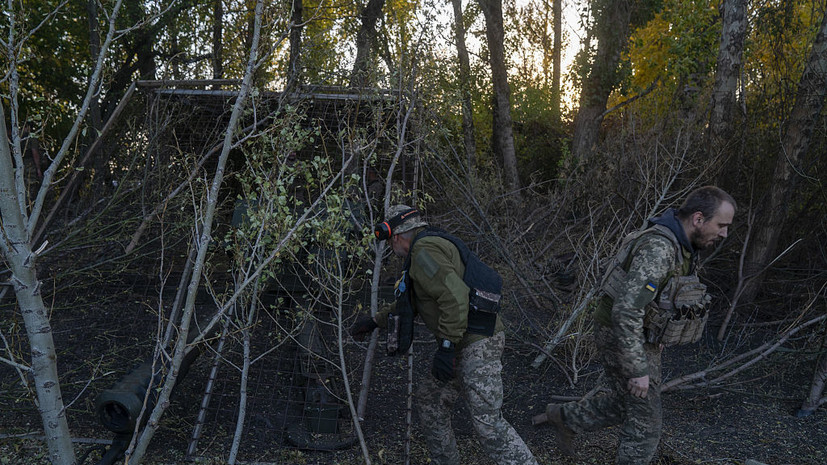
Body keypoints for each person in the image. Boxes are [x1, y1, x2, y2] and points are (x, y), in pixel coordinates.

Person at [533, 185, 736, 465]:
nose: (724, 233)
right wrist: (637, 368)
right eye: (721, 225)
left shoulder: (684, 246)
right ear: (698, 219)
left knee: (624, 405)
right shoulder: (659, 249)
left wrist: (660, 330)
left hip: (639, 333)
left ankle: (564, 418)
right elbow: (626, 309)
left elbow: (659, 297)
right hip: (621, 334)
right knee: (646, 424)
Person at [352, 205, 538, 465]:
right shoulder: (427, 247)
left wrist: (447, 346)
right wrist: (375, 321)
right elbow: (412, 301)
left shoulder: (424, 252)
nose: (393, 251)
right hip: (463, 341)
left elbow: (455, 296)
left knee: (488, 424)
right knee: (431, 403)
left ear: (395, 236)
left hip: (476, 343)